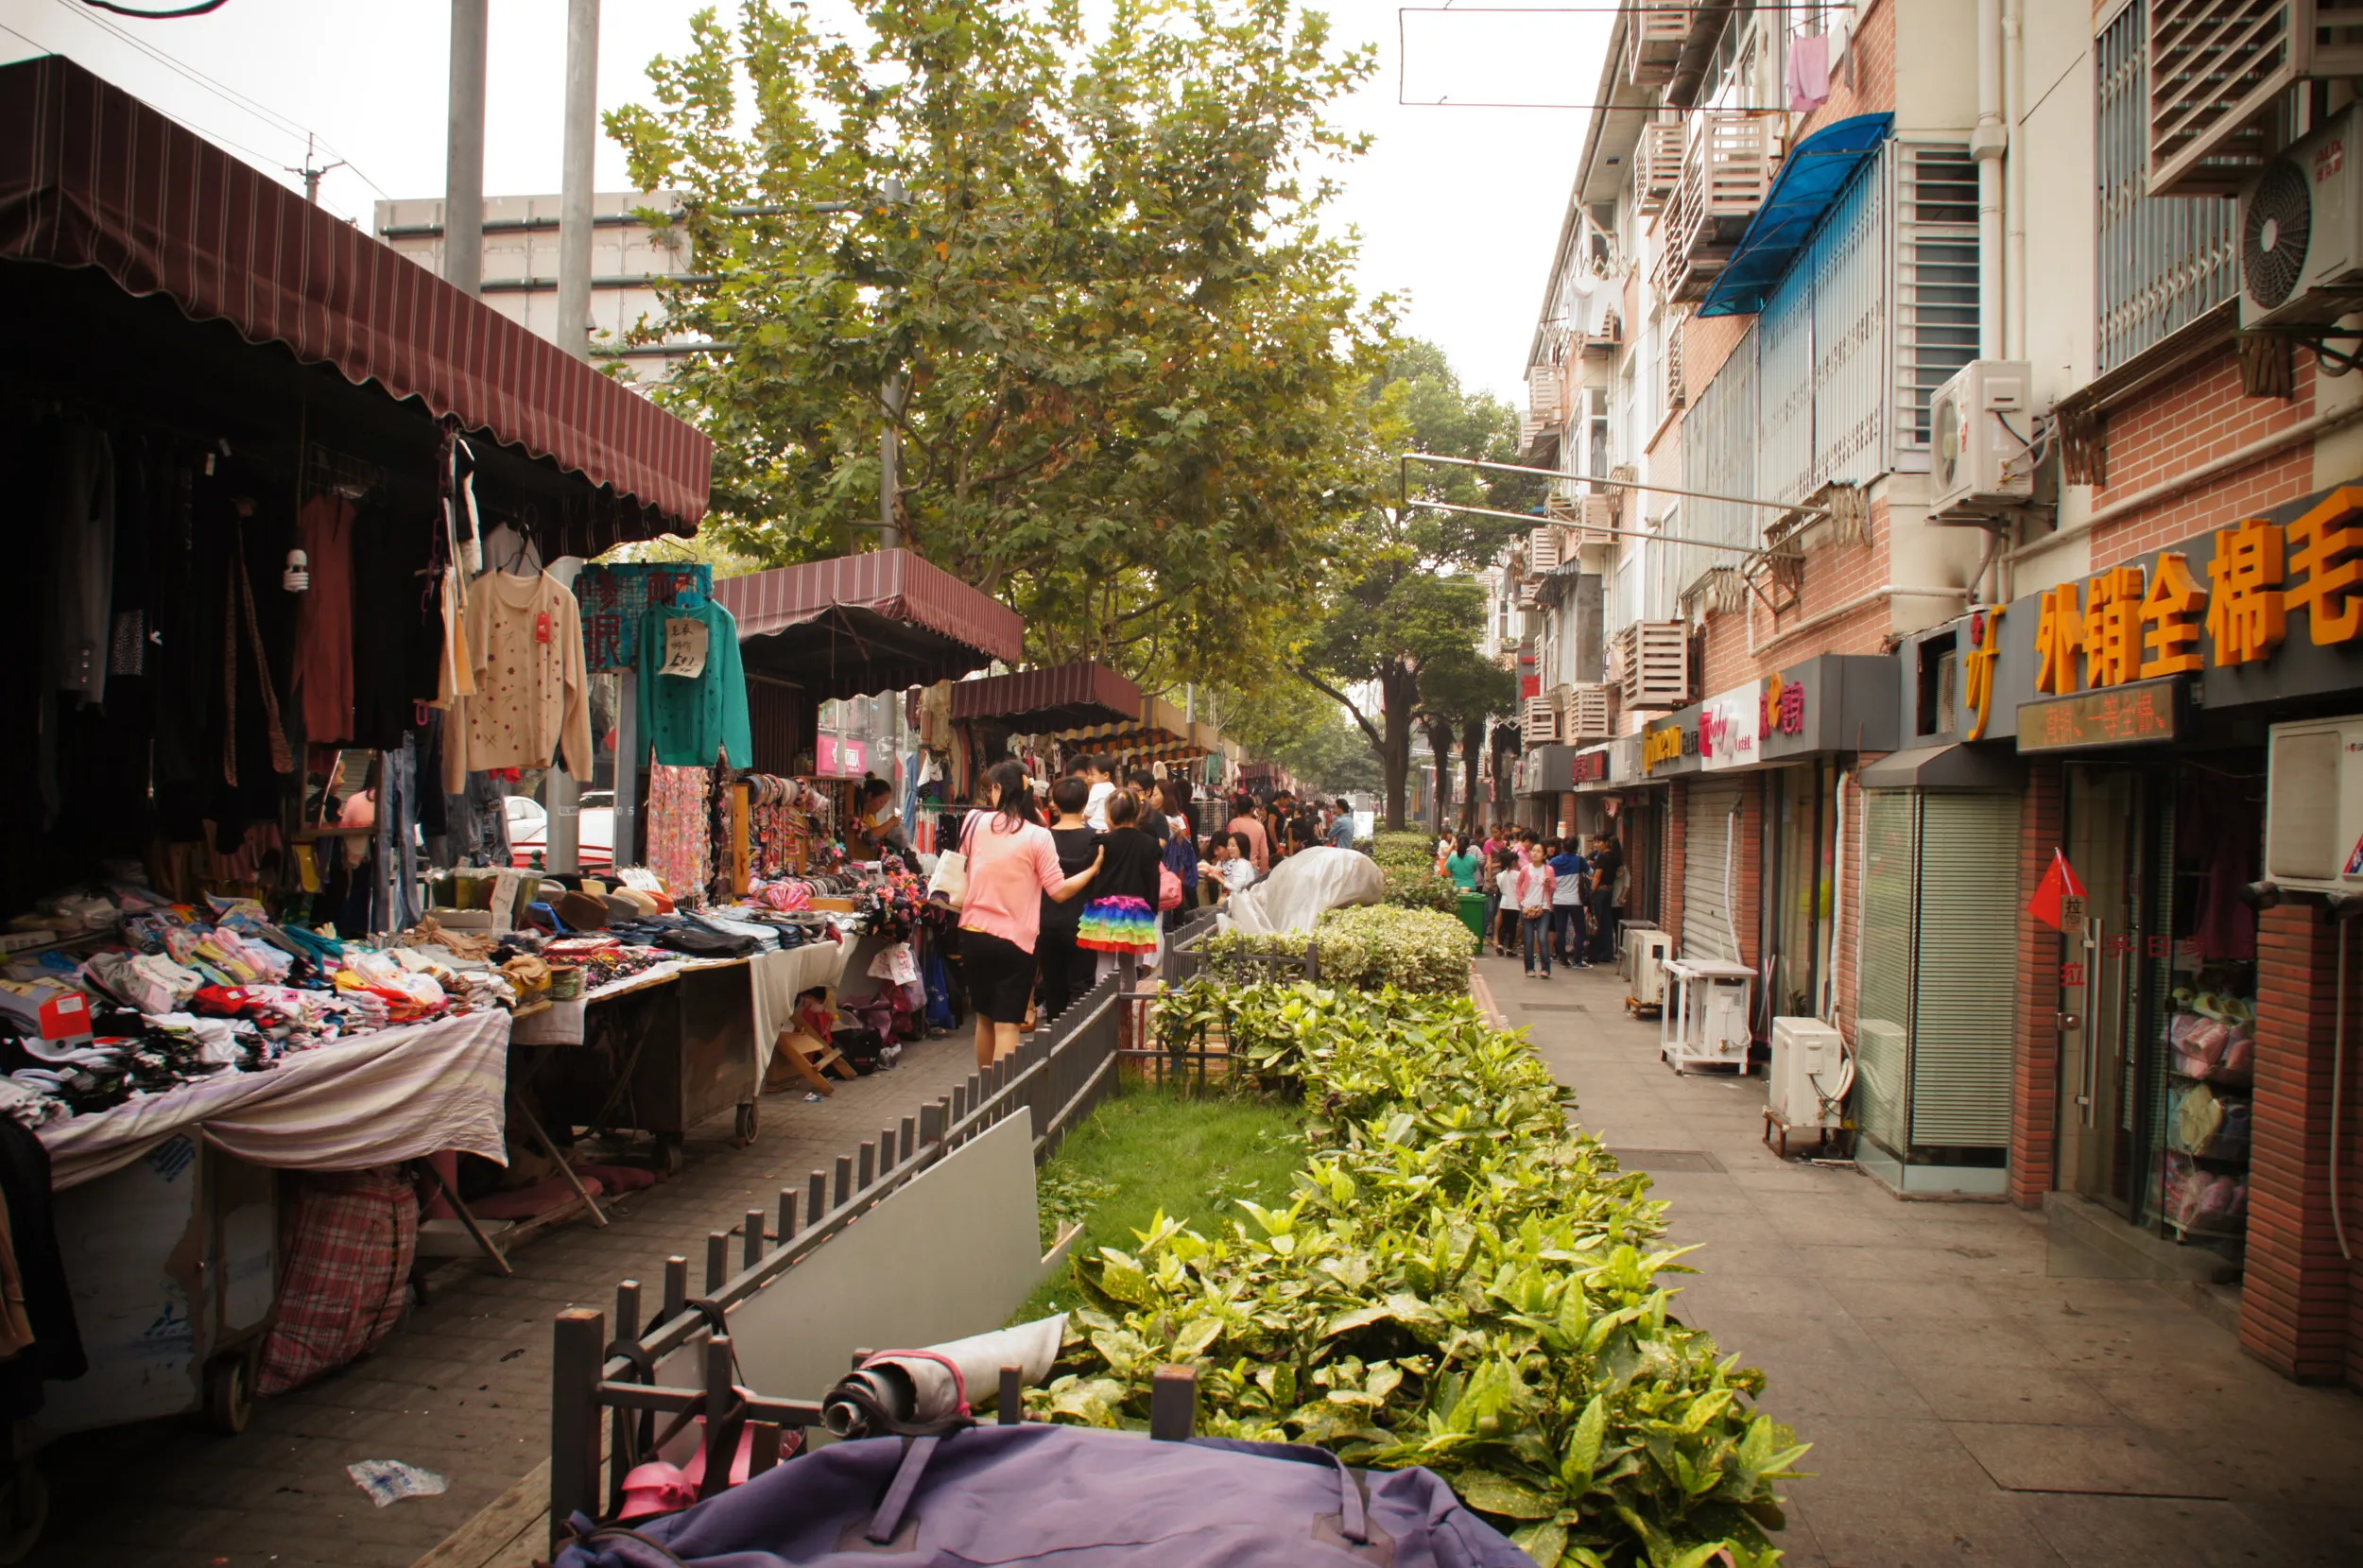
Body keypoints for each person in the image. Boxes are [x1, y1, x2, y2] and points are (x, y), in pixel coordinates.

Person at [956, 761, 1102, 1068]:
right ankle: (1000, 1099)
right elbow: (1059, 891)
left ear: (999, 789)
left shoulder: (973, 822)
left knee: (983, 1019)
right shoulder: (1038, 836)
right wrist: (1093, 870)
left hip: (972, 932)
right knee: (1007, 1023)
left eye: (992, 787)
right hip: (1016, 942)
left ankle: (982, 1095)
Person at [1078, 788, 1164, 982]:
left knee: (1104, 962)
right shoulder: (1149, 843)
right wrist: (1152, 908)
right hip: (1135, 909)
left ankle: (1105, 1008)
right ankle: (1126, 1009)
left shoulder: (1102, 841)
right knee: (1128, 963)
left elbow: (1087, 869)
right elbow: (1152, 878)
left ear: (1109, 814)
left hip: (1103, 908)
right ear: (1137, 813)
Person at [1034, 775, 1101, 1022]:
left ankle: (1054, 1047)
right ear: (1085, 803)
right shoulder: (1096, 841)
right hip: (1084, 923)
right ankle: (1079, 1047)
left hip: (1047, 921)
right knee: (1082, 987)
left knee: (1053, 988)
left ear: (1055, 804)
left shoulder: (1042, 839)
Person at [1509, 841, 1557, 979]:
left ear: (1544, 855)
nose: (1534, 853)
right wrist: (1521, 901)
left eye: (1538, 851)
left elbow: (1554, 887)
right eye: (1533, 851)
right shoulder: (1525, 869)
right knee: (1528, 939)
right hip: (1527, 906)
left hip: (1544, 907)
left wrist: (1548, 885)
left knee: (1542, 937)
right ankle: (1529, 968)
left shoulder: (1549, 870)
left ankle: (1545, 968)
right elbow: (1518, 886)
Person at [1548, 836, 1592, 969]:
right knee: (1580, 930)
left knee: (1561, 930)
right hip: (1575, 901)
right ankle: (1577, 960)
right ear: (1576, 847)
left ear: (1562, 846)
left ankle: (1563, 959)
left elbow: (1548, 877)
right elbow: (1591, 873)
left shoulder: (1554, 861)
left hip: (1558, 900)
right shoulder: (1579, 861)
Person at [1587, 834, 1626, 964]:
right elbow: (1621, 872)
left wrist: (1591, 890)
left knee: (1596, 921)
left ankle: (1594, 954)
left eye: (1598, 842)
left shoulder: (1602, 856)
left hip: (1600, 891)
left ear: (1605, 843)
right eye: (1595, 842)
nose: (1596, 845)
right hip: (1609, 891)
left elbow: (1597, 876)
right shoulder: (1616, 857)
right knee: (1606, 922)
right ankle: (1607, 953)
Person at [854, 776, 904, 860]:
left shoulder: (870, 818)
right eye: (881, 802)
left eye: (885, 803)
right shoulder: (857, 816)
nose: (882, 806)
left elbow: (878, 835)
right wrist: (890, 822)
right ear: (870, 796)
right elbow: (868, 835)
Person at [1209, 832, 1258, 904]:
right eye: (1228, 845)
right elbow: (1234, 884)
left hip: (1241, 905)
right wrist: (1220, 876)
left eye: (1233, 846)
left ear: (1241, 847)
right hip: (1239, 903)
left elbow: (1236, 888)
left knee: (1197, 913)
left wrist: (1219, 878)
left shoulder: (1242, 864)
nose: (1229, 848)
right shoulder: (1239, 862)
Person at [1227, 795, 1270, 875]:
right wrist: (1262, 873)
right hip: (1253, 869)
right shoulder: (1260, 826)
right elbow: (1264, 855)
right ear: (1252, 809)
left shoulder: (1234, 823)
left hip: (1236, 868)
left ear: (1237, 809)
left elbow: (1231, 850)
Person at [1129, 770, 1170, 847]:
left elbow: (1162, 843)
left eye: (1135, 790)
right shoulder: (1125, 813)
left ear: (1148, 791)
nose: (1131, 794)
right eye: (1129, 791)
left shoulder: (1158, 817)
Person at [1079, 757, 1116, 831]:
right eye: (1088, 774)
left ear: (1106, 775)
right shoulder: (1113, 788)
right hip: (1109, 827)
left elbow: (1089, 811)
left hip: (1094, 826)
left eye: (1092, 775)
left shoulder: (1096, 787)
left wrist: (1082, 817)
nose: (1089, 778)